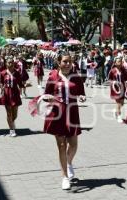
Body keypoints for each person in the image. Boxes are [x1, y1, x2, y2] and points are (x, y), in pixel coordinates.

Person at [43, 52, 86, 190]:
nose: (67, 64)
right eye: (65, 61)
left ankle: (68, 163)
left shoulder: (76, 77)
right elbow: (45, 95)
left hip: (72, 113)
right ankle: (65, 177)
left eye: (70, 61)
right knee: (61, 145)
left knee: (73, 144)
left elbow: (81, 93)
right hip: (57, 114)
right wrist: (48, 98)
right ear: (58, 62)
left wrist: (82, 97)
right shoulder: (53, 76)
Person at [0, 56, 23, 137]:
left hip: (15, 94)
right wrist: (1, 88)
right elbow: (1, 83)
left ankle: (11, 122)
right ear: (6, 63)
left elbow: (20, 83)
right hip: (6, 94)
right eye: (9, 62)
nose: (10, 64)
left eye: (12, 62)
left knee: (15, 114)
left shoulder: (17, 72)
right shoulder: (3, 73)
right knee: (9, 113)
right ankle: (12, 130)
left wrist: (26, 85)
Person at [108, 57, 127, 123]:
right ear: (115, 63)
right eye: (118, 61)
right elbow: (109, 80)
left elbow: (126, 78)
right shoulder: (112, 70)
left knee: (122, 103)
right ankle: (119, 117)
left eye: (121, 61)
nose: (120, 63)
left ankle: (115, 111)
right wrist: (114, 82)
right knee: (118, 103)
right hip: (115, 89)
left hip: (122, 88)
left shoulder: (124, 70)